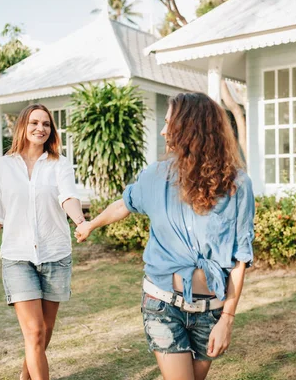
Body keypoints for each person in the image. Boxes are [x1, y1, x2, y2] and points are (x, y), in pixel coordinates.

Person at [75, 92, 255, 380]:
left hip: (211, 311)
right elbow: (124, 204)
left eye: (169, 122)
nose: (162, 130)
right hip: (162, 304)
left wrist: (228, 319)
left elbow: (240, 258)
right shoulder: (154, 176)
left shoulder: (237, 185)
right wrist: (91, 224)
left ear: (191, 127)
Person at [0, 103, 86, 380]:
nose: (41, 128)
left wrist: (81, 221)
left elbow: (68, 196)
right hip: (18, 258)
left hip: (56, 255)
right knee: (35, 332)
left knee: (42, 336)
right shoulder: (3, 166)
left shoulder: (59, 163)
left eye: (46, 124)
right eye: (35, 123)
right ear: (23, 126)